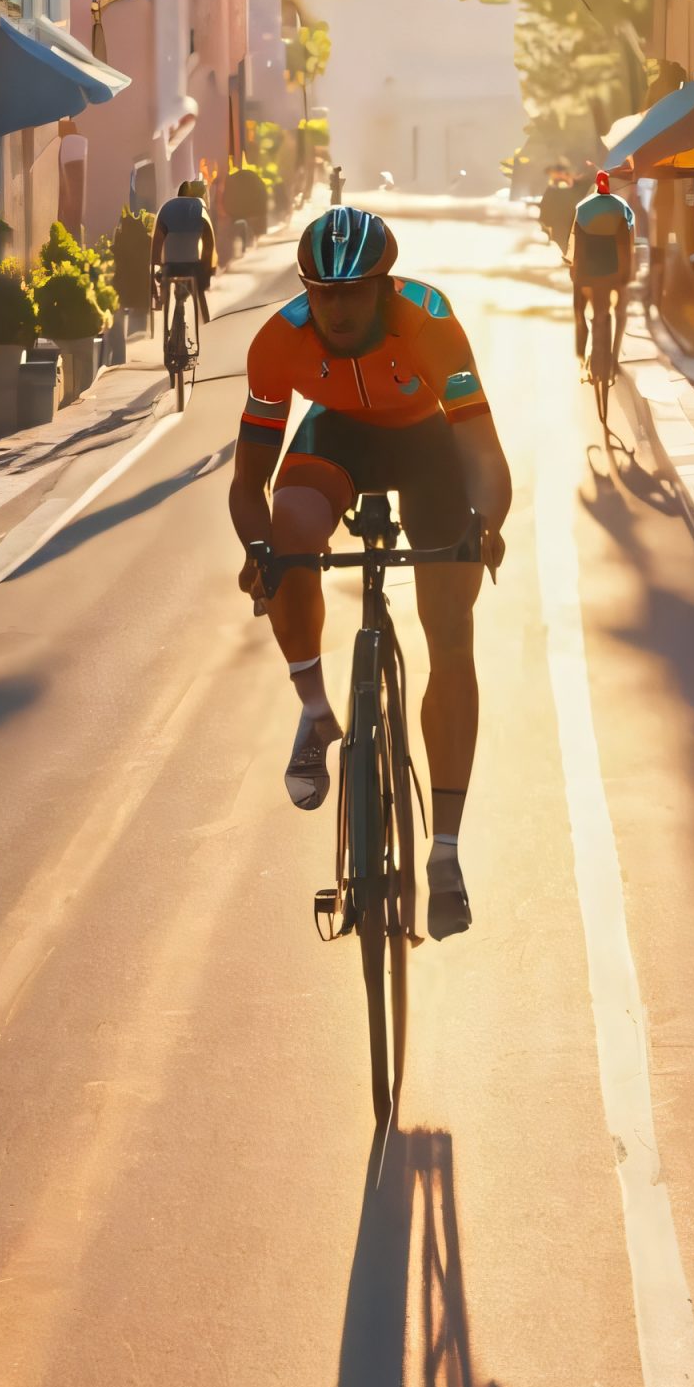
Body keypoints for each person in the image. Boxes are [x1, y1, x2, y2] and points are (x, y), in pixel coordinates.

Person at [229, 208, 512, 940]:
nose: (339, 308)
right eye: (323, 293)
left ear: (386, 288)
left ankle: (444, 853)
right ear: (305, 291)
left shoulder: (432, 322)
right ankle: (318, 709)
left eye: (355, 292)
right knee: (288, 535)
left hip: (430, 445)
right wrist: (261, 552)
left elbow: (481, 447)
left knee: (451, 632)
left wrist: (488, 523)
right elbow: (248, 484)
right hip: (338, 438)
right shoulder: (277, 342)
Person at [568, 171, 636, 370]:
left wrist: (573, 267)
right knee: (621, 311)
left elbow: (575, 243)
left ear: (596, 186)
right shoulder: (622, 207)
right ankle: (614, 357)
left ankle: (581, 354)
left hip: (587, 272)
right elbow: (629, 240)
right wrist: (628, 273)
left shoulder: (582, 208)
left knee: (579, 312)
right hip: (615, 272)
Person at [151, 178, 216, 342]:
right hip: (192, 266)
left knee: (164, 292)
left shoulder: (167, 207)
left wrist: (155, 272)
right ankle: (208, 330)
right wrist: (207, 269)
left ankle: (162, 303)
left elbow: (157, 243)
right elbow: (209, 242)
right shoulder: (200, 207)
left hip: (170, 267)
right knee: (200, 296)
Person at [538, 166, 580, 261]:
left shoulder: (575, 186)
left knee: (564, 238)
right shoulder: (552, 188)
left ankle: (568, 255)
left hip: (566, 218)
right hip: (559, 220)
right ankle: (567, 254)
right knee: (560, 237)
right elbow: (545, 205)